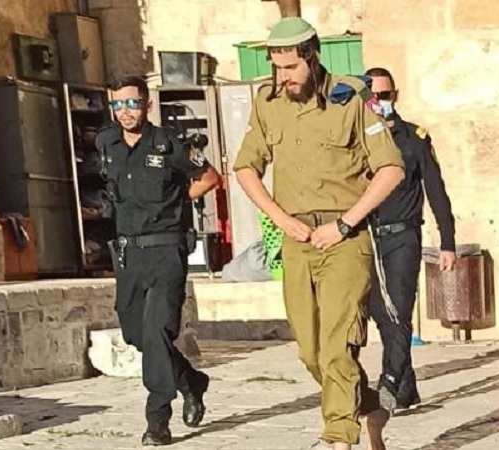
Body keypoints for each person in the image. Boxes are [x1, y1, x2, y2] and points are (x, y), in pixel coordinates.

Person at [233, 17, 405, 450]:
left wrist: (345, 223)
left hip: (345, 240)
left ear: (312, 57)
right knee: (311, 353)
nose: (284, 77)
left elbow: (390, 169)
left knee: (336, 347)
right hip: (296, 241)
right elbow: (246, 168)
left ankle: (338, 438)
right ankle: (369, 407)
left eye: (291, 67)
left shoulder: (351, 97)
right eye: (277, 68)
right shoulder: (267, 103)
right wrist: (279, 218)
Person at [95, 76, 221, 446]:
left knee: (157, 331)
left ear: (147, 105)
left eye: (132, 103)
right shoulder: (107, 143)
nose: (125, 111)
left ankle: (157, 419)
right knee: (136, 334)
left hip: (166, 249)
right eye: (118, 104)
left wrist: (176, 203)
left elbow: (210, 177)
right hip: (129, 253)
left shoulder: (169, 143)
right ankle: (191, 381)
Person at [364, 67, 457, 411]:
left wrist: (447, 242)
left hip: (403, 236)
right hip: (370, 237)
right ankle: (406, 385)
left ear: (395, 96)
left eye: (384, 95)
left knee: (399, 310)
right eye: (373, 96)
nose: (379, 102)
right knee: (380, 312)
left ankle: (388, 382)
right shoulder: (359, 139)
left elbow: (436, 190)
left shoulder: (414, 139)